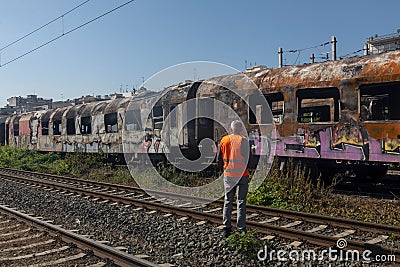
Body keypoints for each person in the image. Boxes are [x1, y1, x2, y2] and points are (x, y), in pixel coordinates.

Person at [218, 120, 250, 237]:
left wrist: (224, 169)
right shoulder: (244, 141)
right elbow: (248, 160)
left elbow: (218, 160)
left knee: (228, 201)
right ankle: (241, 229)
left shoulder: (223, 140)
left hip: (228, 175)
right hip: (242, 175)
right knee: (241, 202)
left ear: (231, 129)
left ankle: (226, 228)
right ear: (240, 129)